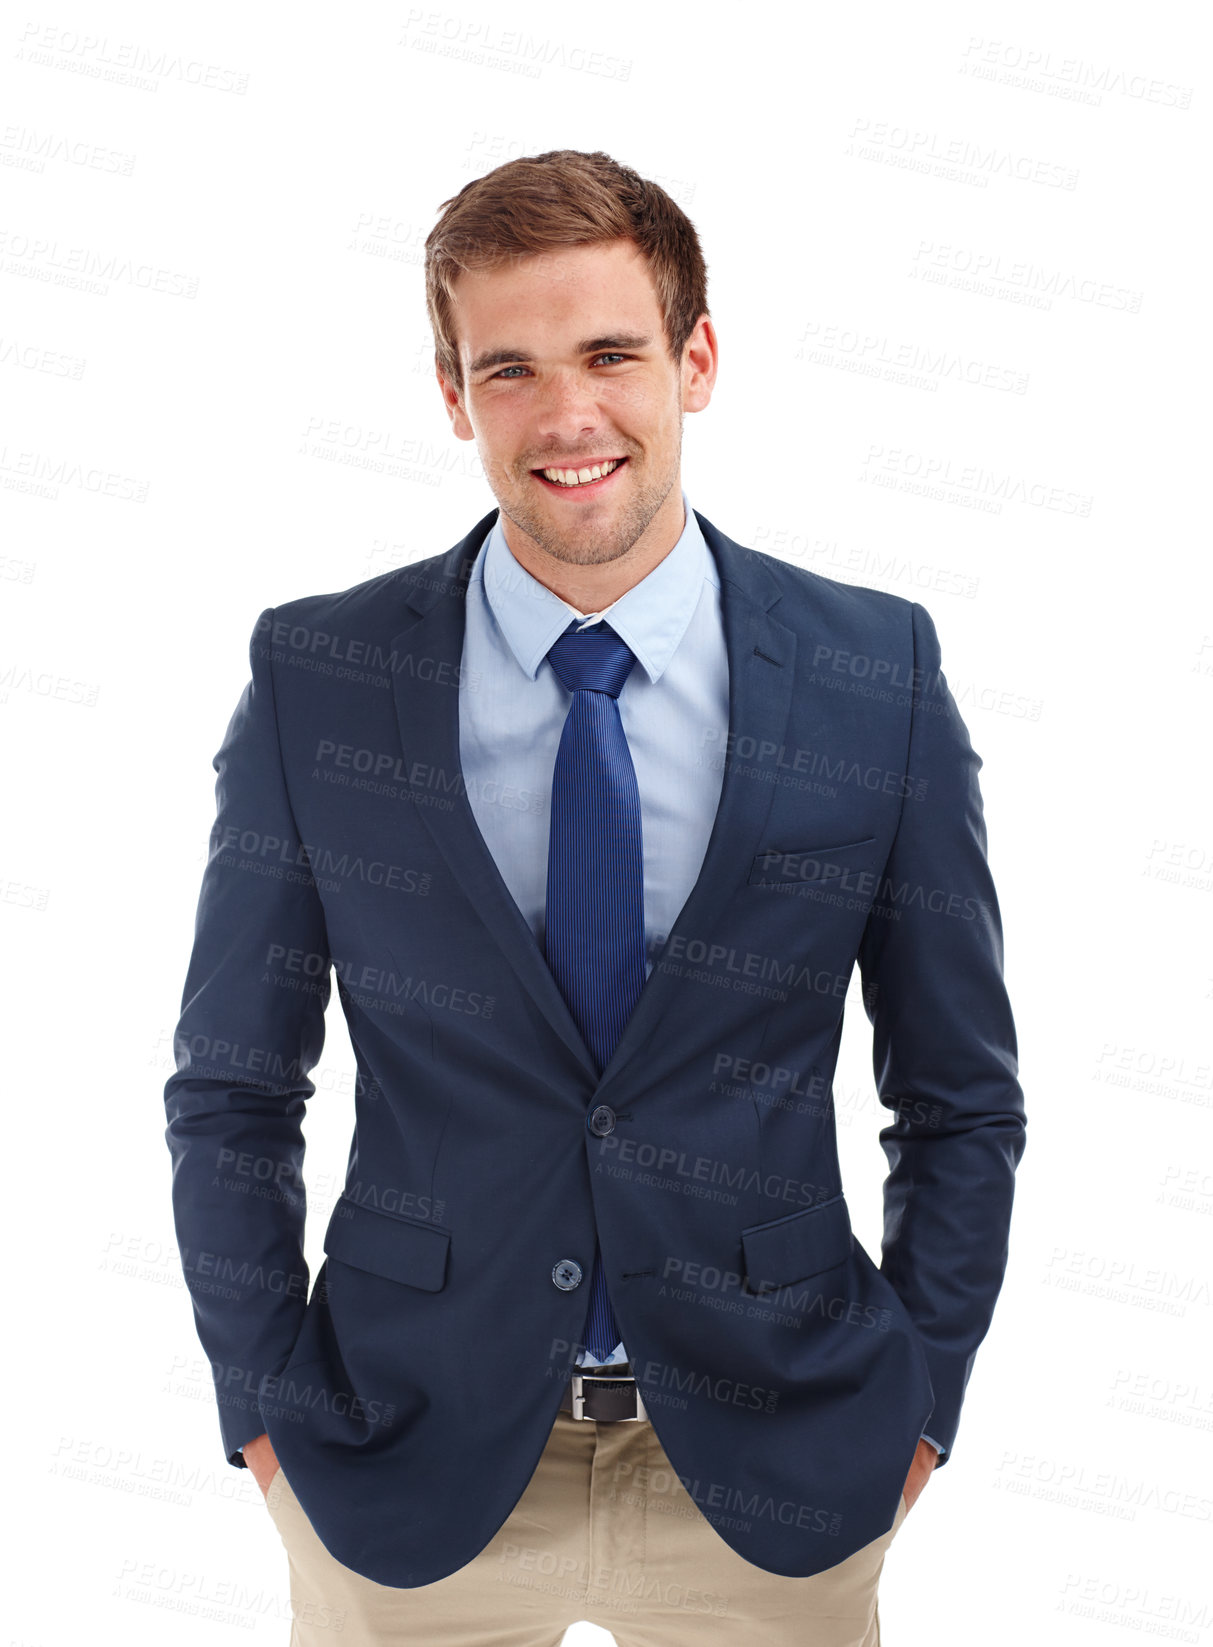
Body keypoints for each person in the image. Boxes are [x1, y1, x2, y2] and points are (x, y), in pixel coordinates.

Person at [164, 148, 1026, 1646]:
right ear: (451, 395)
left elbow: (958, 1099)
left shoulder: (870, 675)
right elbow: (234, 1089)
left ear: (694, 360)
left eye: (611, 353)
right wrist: (263, 1407)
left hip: (776, 1472)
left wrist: (921, 1398)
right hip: (400, 1465)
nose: (566, 417)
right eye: (509, 369)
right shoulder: (320, 679)